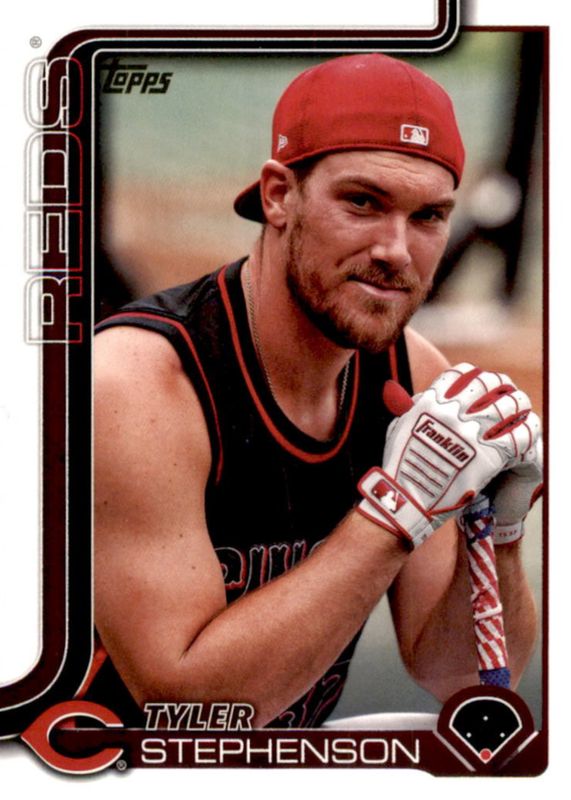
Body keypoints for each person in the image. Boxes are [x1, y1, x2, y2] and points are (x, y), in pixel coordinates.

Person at [90, 53, 542, 729]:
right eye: (362, 202)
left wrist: (499, 533)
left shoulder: (408, 372)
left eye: (427, 216)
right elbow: (185, 716)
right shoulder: (139, 383)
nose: (396, 250)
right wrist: (397, 511)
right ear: (278, 195)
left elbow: (462, 677)